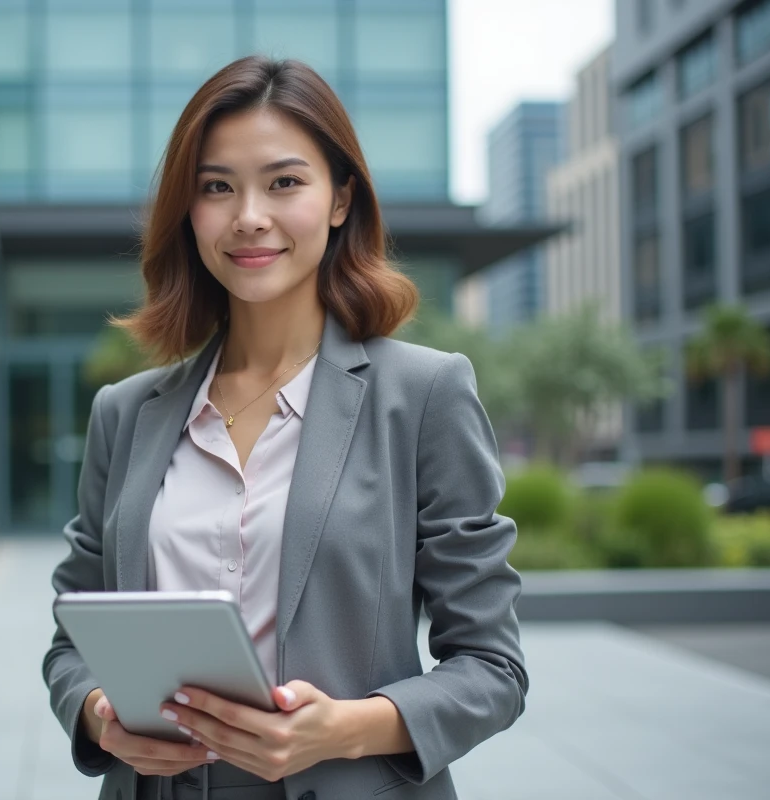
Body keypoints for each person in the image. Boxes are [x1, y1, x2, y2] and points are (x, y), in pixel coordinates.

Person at [42, 55, 528, 800]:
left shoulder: (424, 395)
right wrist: (101, 713)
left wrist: (344, 728)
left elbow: (493, 669)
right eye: (216, 187)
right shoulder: (125, 413)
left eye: (285, 182)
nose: (249, 217)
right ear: (189, 210)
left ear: (340, 201)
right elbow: (72, 642)